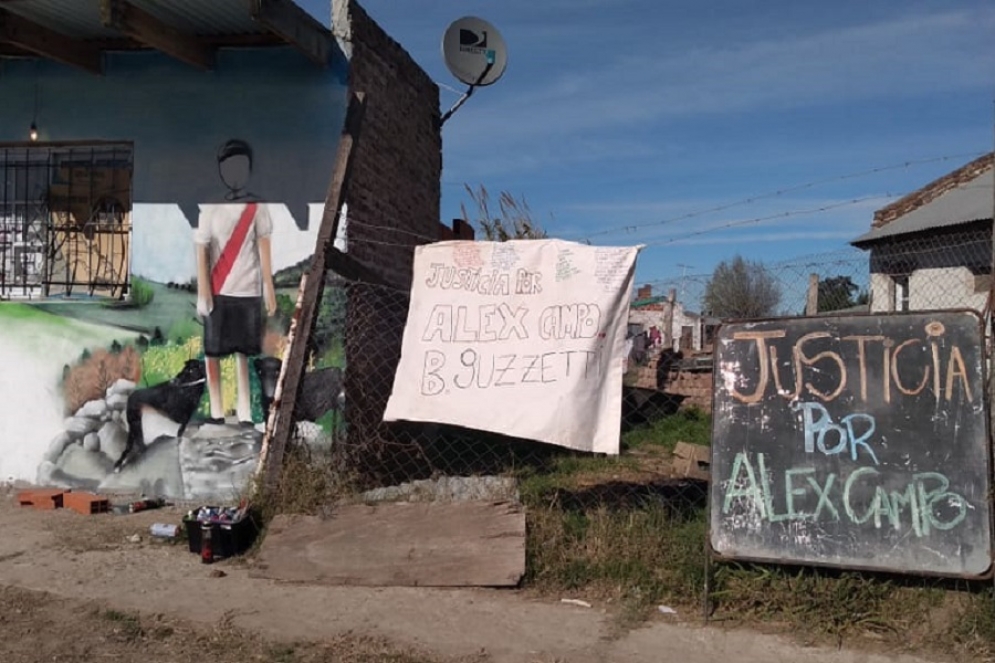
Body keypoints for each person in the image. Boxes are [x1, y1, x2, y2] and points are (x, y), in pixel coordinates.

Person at [194, 139, 277, 425]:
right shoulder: (211, 207)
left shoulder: (257, 207)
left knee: (243, 353)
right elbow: (201, 247)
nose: (235, 175)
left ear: (250, 169)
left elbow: (263, 246)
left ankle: (243, 412)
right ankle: (216, 412)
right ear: (221, 171)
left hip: (248, 290)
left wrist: (269, 288)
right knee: (213, 353)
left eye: (241, 168)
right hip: (218, 291)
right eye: (229, 169)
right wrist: (203, 291)